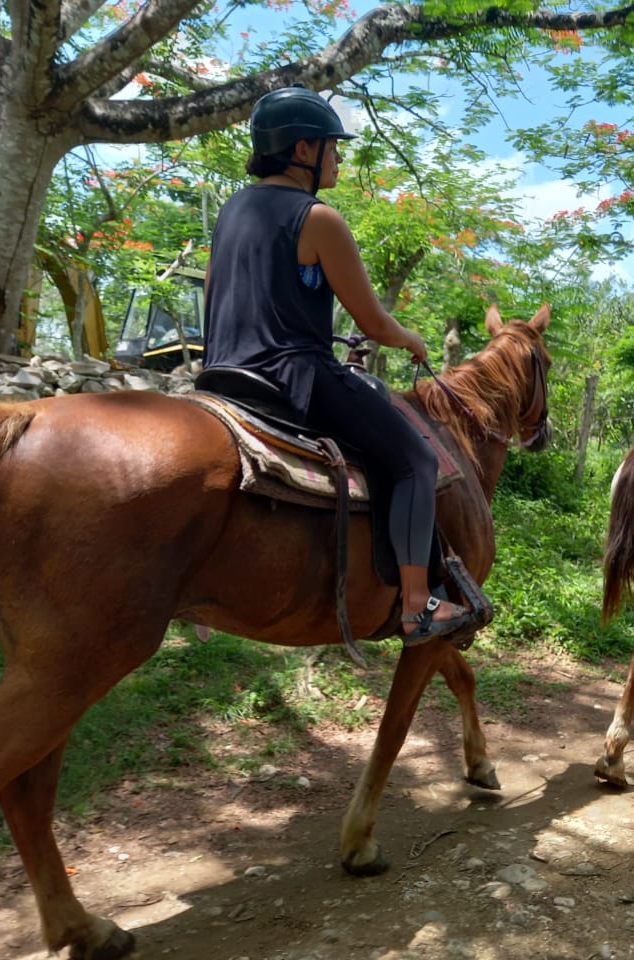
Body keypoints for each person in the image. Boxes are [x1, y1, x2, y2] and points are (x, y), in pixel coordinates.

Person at [203, 85, 478, 642]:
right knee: (414, 460)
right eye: (333, 146)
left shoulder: (232, 211)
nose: (339, 157)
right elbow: (375, 324)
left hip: (222, 373)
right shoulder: (318, 218)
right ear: (303, 150)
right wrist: (411, 339)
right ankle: (418, 606)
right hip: (292, 376)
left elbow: (219, 295)